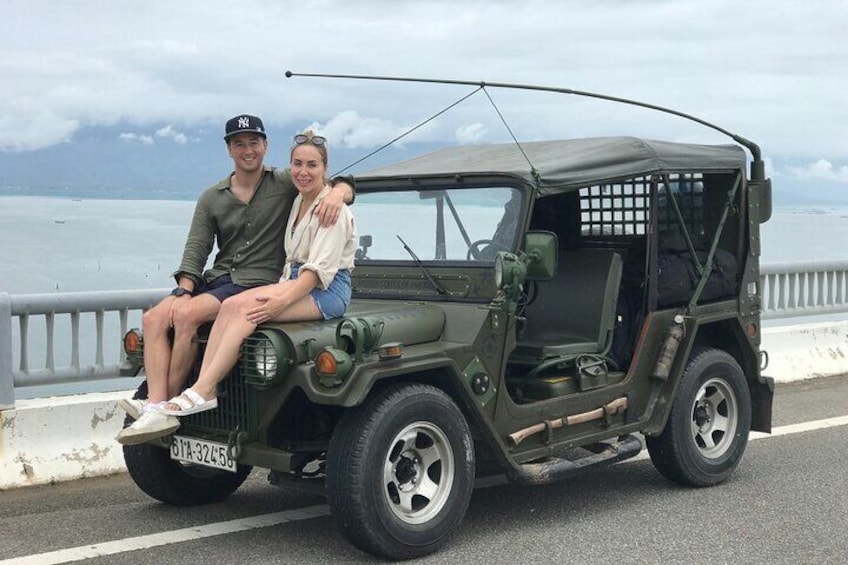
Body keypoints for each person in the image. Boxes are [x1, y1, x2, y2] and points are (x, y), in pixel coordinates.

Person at [116, 117, 353, 445]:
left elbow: (330, 181)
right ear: (228, 149)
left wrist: (339, 193)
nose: (248, 150)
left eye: (254, 142)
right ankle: (158, 403)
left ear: (265, 146)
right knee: (155, 317)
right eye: (239, 143)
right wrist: (183, 291)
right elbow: (196, 249)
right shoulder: (217, 196)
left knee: (187, 316)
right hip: (225, 279)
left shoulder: (285, 184)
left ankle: (178, 400)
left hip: (273, 281)